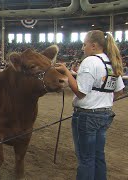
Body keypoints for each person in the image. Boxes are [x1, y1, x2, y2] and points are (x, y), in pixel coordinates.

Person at [55, 30, 125, 180]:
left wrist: (67, 72)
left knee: (85, 158)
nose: (83, 48)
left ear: (93, 46)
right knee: (99, 156)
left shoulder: (90, 61)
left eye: (84, 44)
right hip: (105, 114)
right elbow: (119, 91)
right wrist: (102, 101)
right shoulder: (111, 61)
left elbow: (81, 92)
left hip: (87, 116)